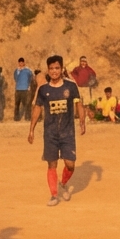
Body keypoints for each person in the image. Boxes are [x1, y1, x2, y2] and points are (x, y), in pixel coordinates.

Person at [29, 55, 85, 207]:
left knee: (70, 164)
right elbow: (37, 109)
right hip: (50, 134)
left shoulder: (71, 87)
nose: (54, 71)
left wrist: (82, 121)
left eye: (57, 68)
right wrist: (31, 129)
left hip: (67, 133)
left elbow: (79, 104)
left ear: (62, 69)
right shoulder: (43, 89)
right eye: (52, 68)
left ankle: (64, 183)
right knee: (51, 164)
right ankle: (54, 195)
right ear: (48, 70)